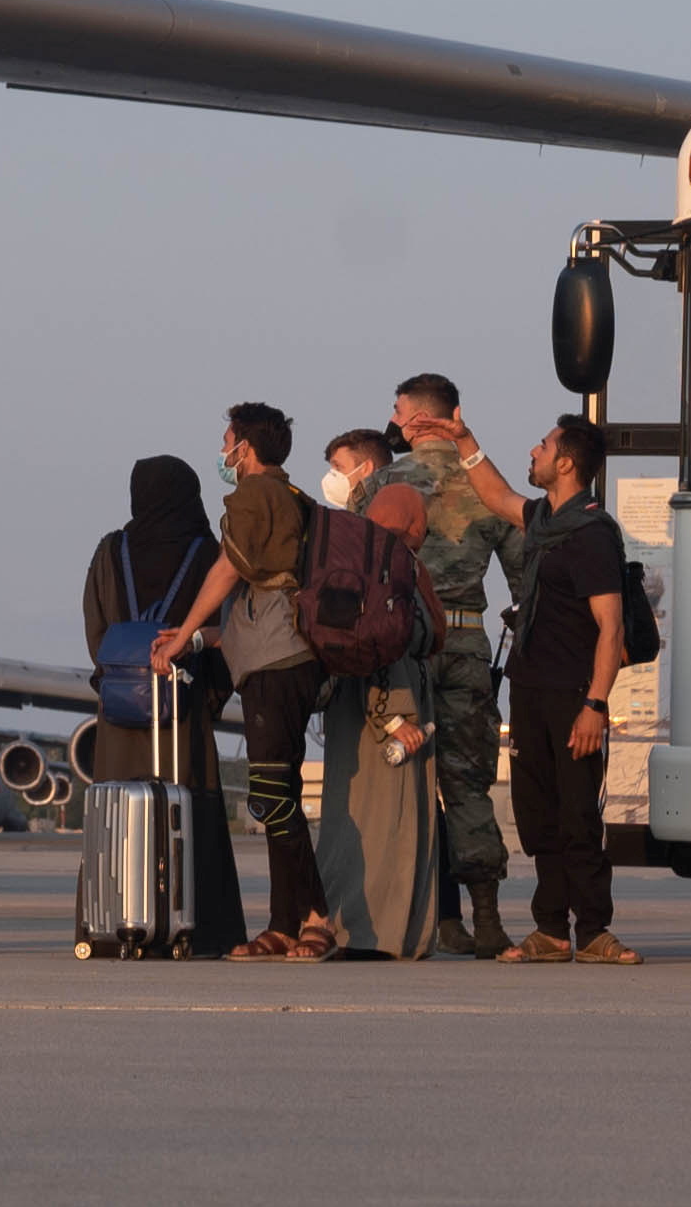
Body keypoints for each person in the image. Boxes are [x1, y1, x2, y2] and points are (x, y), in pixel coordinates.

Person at [152, 404, 324, 960]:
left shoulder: (254, 494)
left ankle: (317, 917)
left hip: (276, 662)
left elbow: (228, 568)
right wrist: (203, 637)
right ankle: (282, 924)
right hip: (285, 656)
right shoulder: (292, 496)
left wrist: (182, 635)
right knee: (279, 794)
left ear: (245, 449)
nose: (224, 452)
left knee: (271, 793)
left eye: (228, 442)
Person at [85, 452, 249, 956]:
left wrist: (118, 679)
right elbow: (232, 630)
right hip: (183, 707)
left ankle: (113, 924)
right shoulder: (210, 554)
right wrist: (208, 696)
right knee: (189, 811)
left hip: (120, 711)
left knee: (118, 813)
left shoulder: (111, 551)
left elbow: (96, 628)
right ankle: (198, 928)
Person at [387, 375, 525, 960]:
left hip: (404, 648)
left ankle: (425, 918)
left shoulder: (385, 485)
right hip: (467, 646)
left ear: (416, 419)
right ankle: (486, 920)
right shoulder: (486, 486)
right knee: (468, 787)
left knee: (401, 788)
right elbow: (524, 581)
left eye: (398, 412)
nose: (394, 421)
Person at [500, 416, 645, 966]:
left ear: (565, 463)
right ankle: (550, 930)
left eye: (543, 446)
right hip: (529, 689)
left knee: (578, 814)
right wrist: (462, 441)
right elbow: (495, 496)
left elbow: (612, 628)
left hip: (573, 695)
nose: (532, 451)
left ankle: (594, 930)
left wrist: (595, 705)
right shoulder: (544, 521)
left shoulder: (590, 534)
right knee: (538, 814)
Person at [301, 425, 446, 959]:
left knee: (371, 820)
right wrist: (393, 718)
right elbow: (382, 648)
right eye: (420, 518)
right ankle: (371, 932)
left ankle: (384, 930)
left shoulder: (365, 562)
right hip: (387, 716)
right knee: (386, 825)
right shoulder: (389, 570)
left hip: (368, 713)